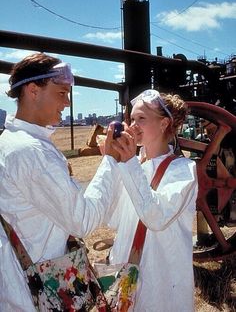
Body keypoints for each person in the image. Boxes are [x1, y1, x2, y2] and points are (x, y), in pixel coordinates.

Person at [0, 52, 118, 311]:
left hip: (21, 283)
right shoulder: (32, 152)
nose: (67, 102)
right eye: (61, 93)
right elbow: (83, 220)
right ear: (33, 90)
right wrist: (110, 160)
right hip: (39, 290)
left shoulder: (11, 142)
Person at [102, 89, 198, 312]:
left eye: (141, 119)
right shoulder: (133, 165)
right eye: (132, 119)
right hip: (124, 273)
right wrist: (111, 165)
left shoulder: (183, 170)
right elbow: (114, 220)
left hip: (161, 281)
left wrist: (127, 163)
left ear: (164, 124)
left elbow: (156, 217)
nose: (133, 126)